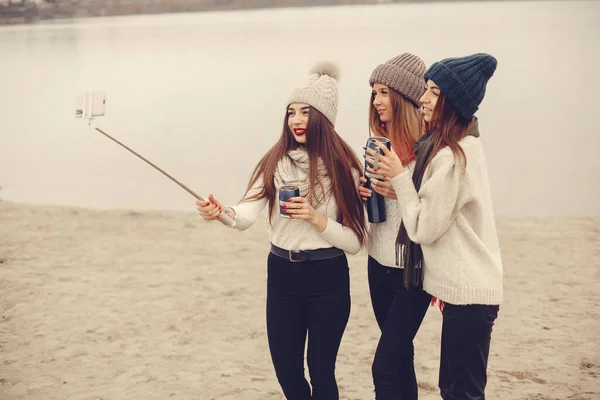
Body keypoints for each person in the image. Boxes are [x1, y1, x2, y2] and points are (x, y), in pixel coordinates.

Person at [196, 61, 367, 400]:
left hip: (327, 276)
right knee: (287, 371)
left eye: (306, 112)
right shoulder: (274, 161)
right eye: (291, 112)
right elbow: (245, 215)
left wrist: (315, 218)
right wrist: (221, 213)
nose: (297, 121)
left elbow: (355, 242)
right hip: (282, 274)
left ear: (323, 118)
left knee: (321, 370)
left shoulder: (344, 168)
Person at [365, 53, 503, 400]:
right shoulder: (458, 147)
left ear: (452, 101)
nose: (423, 99)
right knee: (452, 389)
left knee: (460, 393)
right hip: (462, 291)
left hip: (470, 292)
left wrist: (399, 178)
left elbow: (422, 228)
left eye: (432, 91)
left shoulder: (451, 156)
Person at [358, 53, 431, 400]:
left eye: (384, 92)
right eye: (374, 92)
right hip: (377, 264)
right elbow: (375, 210)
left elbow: (433, 215)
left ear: (405, 98)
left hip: (412, 273)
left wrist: (401, 187)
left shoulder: (430, 151)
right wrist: (362, 191)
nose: (376, 100)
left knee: (383, 366)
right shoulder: (379, 145)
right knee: (402, 357)